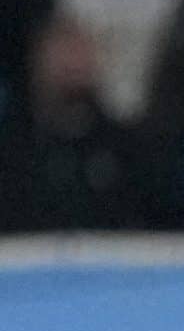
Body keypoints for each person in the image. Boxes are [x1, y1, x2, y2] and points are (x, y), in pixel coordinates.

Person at [0, 18, 149, 233]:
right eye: (61, 54)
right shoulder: (13, 150)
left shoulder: (127, 148)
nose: (71, 66)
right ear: (37, 63)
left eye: (79, 53)